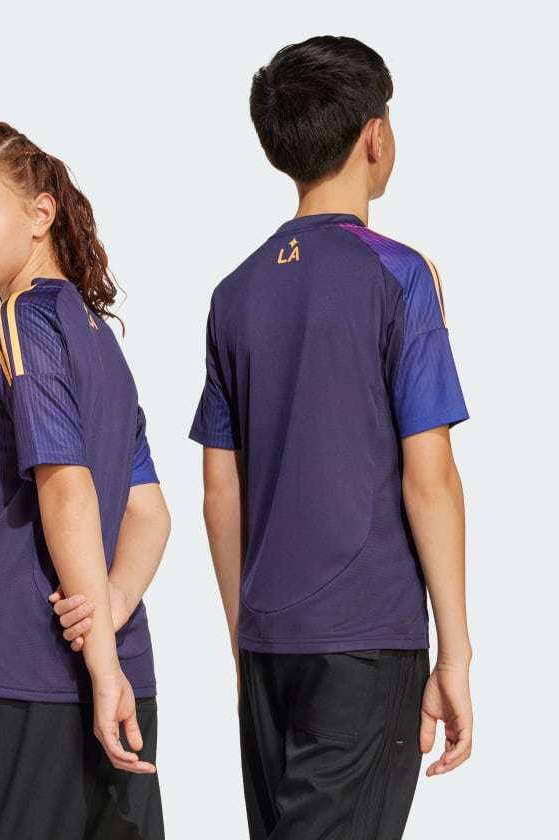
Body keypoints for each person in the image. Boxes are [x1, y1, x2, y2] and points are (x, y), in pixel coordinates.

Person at [187, 36, 473, 838]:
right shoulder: (400, 275)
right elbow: (430, 478)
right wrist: (455, 653)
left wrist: (245, 643)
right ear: (375, 136)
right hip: (365, 639)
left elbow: (220, 490)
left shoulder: (234, 294)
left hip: (267, 642)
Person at [0, 121, 170, 840]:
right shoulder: (99, 339)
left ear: (40, 214)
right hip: (122, 672)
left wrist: (100, 663)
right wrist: (113, 608)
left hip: (22, 669)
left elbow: (65, 485)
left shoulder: (21, 322)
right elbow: (149, 513)